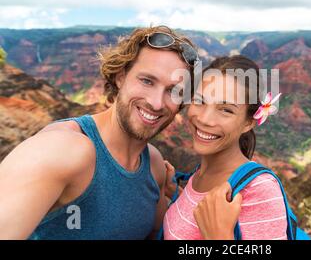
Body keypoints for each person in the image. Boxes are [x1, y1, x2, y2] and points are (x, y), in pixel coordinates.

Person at [0, 25, 199, 239]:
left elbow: (161, 233)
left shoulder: (154, 165)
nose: (157, 103)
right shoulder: (65, 148)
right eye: (147, 81)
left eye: (173, 91)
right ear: (121, 76)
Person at [163, 55, 289, 240]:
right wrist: (177, 194)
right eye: (200, 101)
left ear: (248, 122)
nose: (205, 119)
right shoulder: (199, 175)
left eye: (226, 110)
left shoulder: (259, 190)